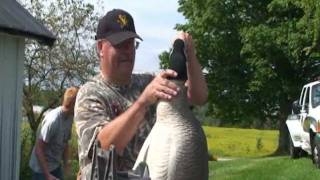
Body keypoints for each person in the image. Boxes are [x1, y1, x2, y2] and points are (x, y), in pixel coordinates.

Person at [74, 8, 208, 179]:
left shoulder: (147, 82)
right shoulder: (90, 93)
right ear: (100, 47)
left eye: (131, 44)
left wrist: (189, 54)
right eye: (120, 45)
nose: (127, 51)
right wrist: (143, 102)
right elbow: (103, 147)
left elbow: (199, 97)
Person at [29, 87, 79, 180]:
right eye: (79, 103)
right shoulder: (53, 121)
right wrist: (47, 175)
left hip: (55, 166)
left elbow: (65, 141)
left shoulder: (69, 117)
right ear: (73, 104)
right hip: (41, 169)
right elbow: (39, 149)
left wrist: (66, 163)